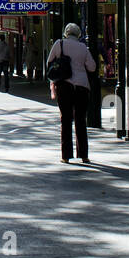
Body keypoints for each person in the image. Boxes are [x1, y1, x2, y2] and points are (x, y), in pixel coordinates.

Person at [48, 23, 97, 164]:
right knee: (81, 120)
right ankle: (84, 154)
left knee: (66, 119)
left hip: (64, 85)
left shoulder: (60, 44)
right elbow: (92, 67)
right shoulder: (83, 47)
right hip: (82, 86)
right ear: (78, 34)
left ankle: (66, 155)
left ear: (66, 33)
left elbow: (49, 62)